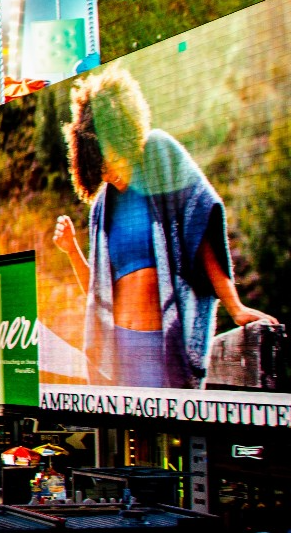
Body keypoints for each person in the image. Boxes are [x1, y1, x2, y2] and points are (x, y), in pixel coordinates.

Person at [51, 66, 279, 389]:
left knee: (170, 438)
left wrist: (235, 307)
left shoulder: (159, 156)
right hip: (119, 353)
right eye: (98, 169)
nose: (108, 174)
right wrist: (72, 251)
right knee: (130, 440)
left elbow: (200, 227)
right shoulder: (102, 207)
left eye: (109, 159)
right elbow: (98, 295)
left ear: (122, 133)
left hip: (162, 345)